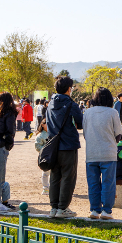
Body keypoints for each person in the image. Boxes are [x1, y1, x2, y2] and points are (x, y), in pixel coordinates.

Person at [45, 76, 83, 218]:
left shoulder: (50, 104)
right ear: (69, 89)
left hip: (53, 145)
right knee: (68, 176)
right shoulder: (71, 104)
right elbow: (80, 123)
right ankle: (63, 208)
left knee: (55, 176)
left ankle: (54, 208)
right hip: (68, 145)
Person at [83, 87, 122, 220]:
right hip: (108, 153)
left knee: (93, 183)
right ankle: (106, 210)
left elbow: (85, 133)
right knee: (108, 183)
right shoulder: (113, 112)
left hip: (91, 153)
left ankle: (94, 209)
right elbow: (118, 133)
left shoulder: (88, 112)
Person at [34, 120, 50, 195]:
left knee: (54, 173)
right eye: (47, 123)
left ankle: (53, 188)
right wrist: (45, 149)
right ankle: (45, 188)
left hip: (54, 156)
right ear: (42, 125)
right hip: (45, 157)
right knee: (45, 172)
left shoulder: (53, 132)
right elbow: (37, 146)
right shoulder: (40, 135)